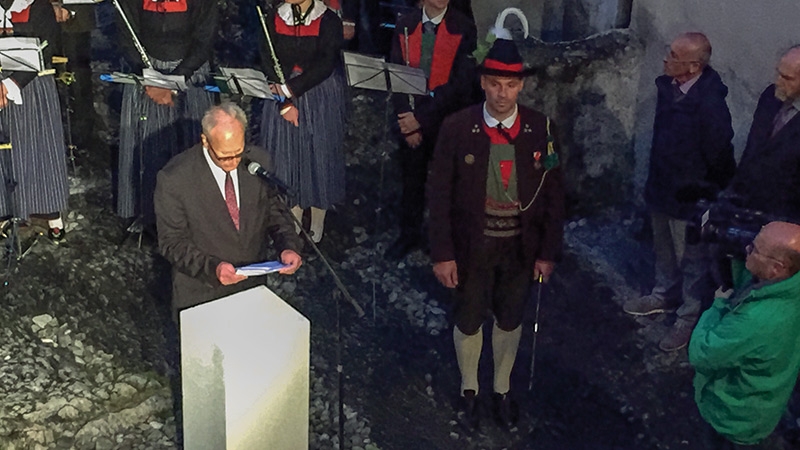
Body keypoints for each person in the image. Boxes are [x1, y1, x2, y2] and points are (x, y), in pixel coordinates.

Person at [427, 35, 565, 430]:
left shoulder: (542, 128)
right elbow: (438, 195)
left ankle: (502, 387)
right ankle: (470, 387)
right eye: (495, 84)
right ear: (483, 83)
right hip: (473, 246)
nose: (502, 94)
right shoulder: (456, 128)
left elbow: (555, 196)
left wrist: (548, 253)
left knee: (509, 317)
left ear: (521, 86)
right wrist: (442, 253)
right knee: (469, 317)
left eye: (511, 85)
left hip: (521, 249)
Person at [623, 33, 735, 352]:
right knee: (664, 250)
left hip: (689, 198)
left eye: (673, 55)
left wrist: (704, 193)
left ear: (693, 66)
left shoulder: (711, 105)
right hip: (662, 187)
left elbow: (719, 154)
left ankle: (687, 316)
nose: (665, 59)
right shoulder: (669, 89)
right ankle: (664, 294)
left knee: (693, 261)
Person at [154, 103, 303, 316]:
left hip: (251, 289)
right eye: (224, 156)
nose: (233, 162)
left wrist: (288, 246)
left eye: (238, 153)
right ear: (205, 141)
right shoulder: (175, 178)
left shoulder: (258, 162)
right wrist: (213, 268)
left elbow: (274, 211)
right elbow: (172, 242)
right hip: (201, 295)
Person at [689, 221, 800, 449]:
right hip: (767, 402)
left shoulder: (755, 320)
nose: (746, 248)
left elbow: (702, 353)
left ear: (776, 268)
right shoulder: (790, 283)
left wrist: (717, 306)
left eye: (754, 250)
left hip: (734, 417)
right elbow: (749, 281)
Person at [385, 0, 477, 259]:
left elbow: (460, 85)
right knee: (411, 181)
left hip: (445, 121)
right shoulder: (406, 24)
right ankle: (409, 235)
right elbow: (397, 72)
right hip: (411, 118)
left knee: (445, 183)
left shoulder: (463, 27)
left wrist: (421, 120)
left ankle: (442, 241)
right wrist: (406, 120)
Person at [115, 0, 217, 229]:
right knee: (149, 146)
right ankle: (151, 213)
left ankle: (195, 214)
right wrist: (149, 78)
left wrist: (172, 83)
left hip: (189, 73)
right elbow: (126, 35)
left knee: (191, 148)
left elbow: (204, 40)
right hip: (148, 75)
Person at [255, 0, 347, 244]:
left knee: (318, 152)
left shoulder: (329, 20)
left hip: (317, 93)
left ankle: (318, 215)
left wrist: (291, 89)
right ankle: (293, 212)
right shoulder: (274, 16)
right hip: (282, 93)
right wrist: (283, 100)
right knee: (287, 153)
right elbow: (266, 56)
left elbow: (326, 64)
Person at [0, 0, 70, 241]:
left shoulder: (37, 6)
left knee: (37, 145)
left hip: (31, 82)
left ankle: (45, 207)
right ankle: (5, 210)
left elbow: (45, 46)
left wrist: (9, 84)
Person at [727, 46, 800, 220]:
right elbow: (753, 147)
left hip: (784, 217)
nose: (778, 81)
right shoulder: (770, 97)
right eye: (778, 73)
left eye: (787, 78)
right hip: (746, 207)